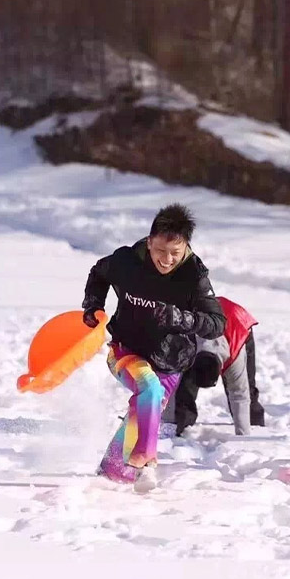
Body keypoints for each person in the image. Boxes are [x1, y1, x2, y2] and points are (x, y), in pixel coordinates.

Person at [82, 204, 225, 486]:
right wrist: (93, 307)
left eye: (176, 252)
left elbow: (216, 323)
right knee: (149, 389)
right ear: (149, 242)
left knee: (144, 410)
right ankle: (147, 460)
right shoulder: (126, 262)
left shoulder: (194, 276)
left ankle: (112, 473)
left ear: (186, 247)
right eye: (160, 251)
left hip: (172, 363)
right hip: (126, 350)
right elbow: (98, 274)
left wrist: (180, 318)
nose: (167, 259)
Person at [163, 296, 265, 436]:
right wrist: (166, 424)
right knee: (183, 389)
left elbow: (239, 394)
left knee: (247, 388)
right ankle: (180, 427)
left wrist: (243, 436)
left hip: (237, 322)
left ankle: (255, 425)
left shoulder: (235, 354)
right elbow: (171, 384)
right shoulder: (185, 345)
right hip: (202, 321)